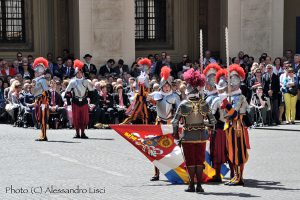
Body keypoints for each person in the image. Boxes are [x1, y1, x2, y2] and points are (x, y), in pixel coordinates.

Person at [172, 68, 216, 193]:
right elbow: (213, 122)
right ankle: (200, 186)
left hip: (187, 137)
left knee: (190, 161)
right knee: (199, 160)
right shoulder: (204, 103)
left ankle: (192, 184)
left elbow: (175, 122)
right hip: (202, 136)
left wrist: (175, 136)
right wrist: (203, 124)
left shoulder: (183, 104)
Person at [148, 66, 180, 181]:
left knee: (172, 149)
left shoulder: (175, 96)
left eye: (168, 85)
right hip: (158, 123)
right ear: (161, 86)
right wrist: (143, 84)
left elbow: (179, 110)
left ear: (170, 86)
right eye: (164, 85)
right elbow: (144, 97)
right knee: (156, 148)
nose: (166, 87)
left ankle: (175, 172)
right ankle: (156, 173)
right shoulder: (156, 94)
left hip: (170, 124)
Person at [221, 64, 249, 186]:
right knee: (232, 152)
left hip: (237, 126)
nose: (232, 83)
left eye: (234, 81)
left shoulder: (240, 97)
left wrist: (227, 105)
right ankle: (236, 176)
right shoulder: (230, 96)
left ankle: (240, 178)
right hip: (230, 126)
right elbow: (225, 115)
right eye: (230, 81)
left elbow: (235, 114)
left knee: (238, 152)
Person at [65, 59, 96, 138]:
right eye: (77, 72)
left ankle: (83, 133)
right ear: (75, 73)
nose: (79, 74)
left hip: (84, 101)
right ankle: (77, 133)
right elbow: (67, 93)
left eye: (80, 72)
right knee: (76, 118)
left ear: (83, 73)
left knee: (84, 118)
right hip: (75, 101)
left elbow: (92, 92)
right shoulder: (72, 82)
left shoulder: (87, 81)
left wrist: (92, 102)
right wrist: (68, 103)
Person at [210, 69, 231, 182]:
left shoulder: (232, 98)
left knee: (228, 152)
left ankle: (233, 174)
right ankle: (218, 175)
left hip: (226, 128)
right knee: (219, 152)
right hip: (221, 128)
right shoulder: (217, 100)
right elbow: (212, 115)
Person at [32, 57, 50, 141]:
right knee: (39, 118)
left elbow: (47, 91)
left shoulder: (42, 80)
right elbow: (34, 92)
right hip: (38, 100)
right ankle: (42, 134)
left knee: (43, 119)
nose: (35, 73)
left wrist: (44, 101)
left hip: (43, 101)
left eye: (36, 71)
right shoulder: (36, 80)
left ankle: (44, 136)